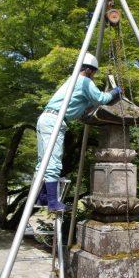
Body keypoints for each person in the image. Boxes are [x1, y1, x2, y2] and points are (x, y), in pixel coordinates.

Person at [35, 52, 121, 211]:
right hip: (54, 122)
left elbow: (84, 104)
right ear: (89, 70)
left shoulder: (73, 81)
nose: (94, 76)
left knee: (43, 162)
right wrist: (115, 92)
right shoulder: (84, 82)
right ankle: (53, 203)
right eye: (94, 73)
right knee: (52, 161)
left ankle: (43, 197)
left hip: (45, 119)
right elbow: (102, 99)